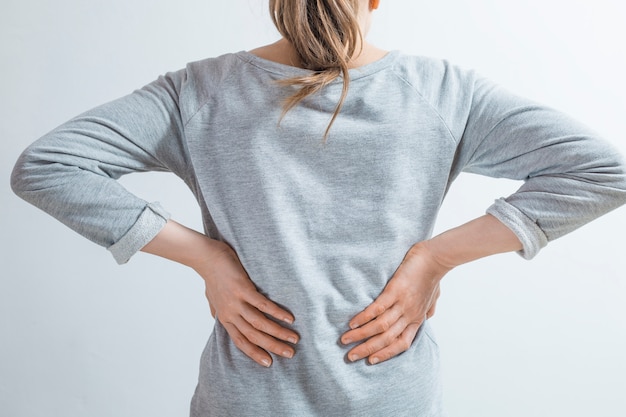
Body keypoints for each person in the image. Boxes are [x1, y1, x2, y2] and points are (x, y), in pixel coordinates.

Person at [10, 0, 626, 416]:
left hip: (248, 392)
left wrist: (205, 258)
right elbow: (604, 171)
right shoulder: (442, 92)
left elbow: (46, 166)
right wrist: (435, 259)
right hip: (389, 390)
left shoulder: (199, 92)